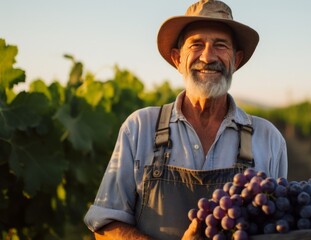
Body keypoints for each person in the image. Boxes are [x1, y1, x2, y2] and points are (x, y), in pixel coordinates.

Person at [84, 0, 288, 239]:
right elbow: (105, 226)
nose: (208, 56)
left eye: (220, 45)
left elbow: (278, 226)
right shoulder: (139, 128)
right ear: (177, 59)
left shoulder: (268, 138)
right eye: (196, 44)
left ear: (237, 59)